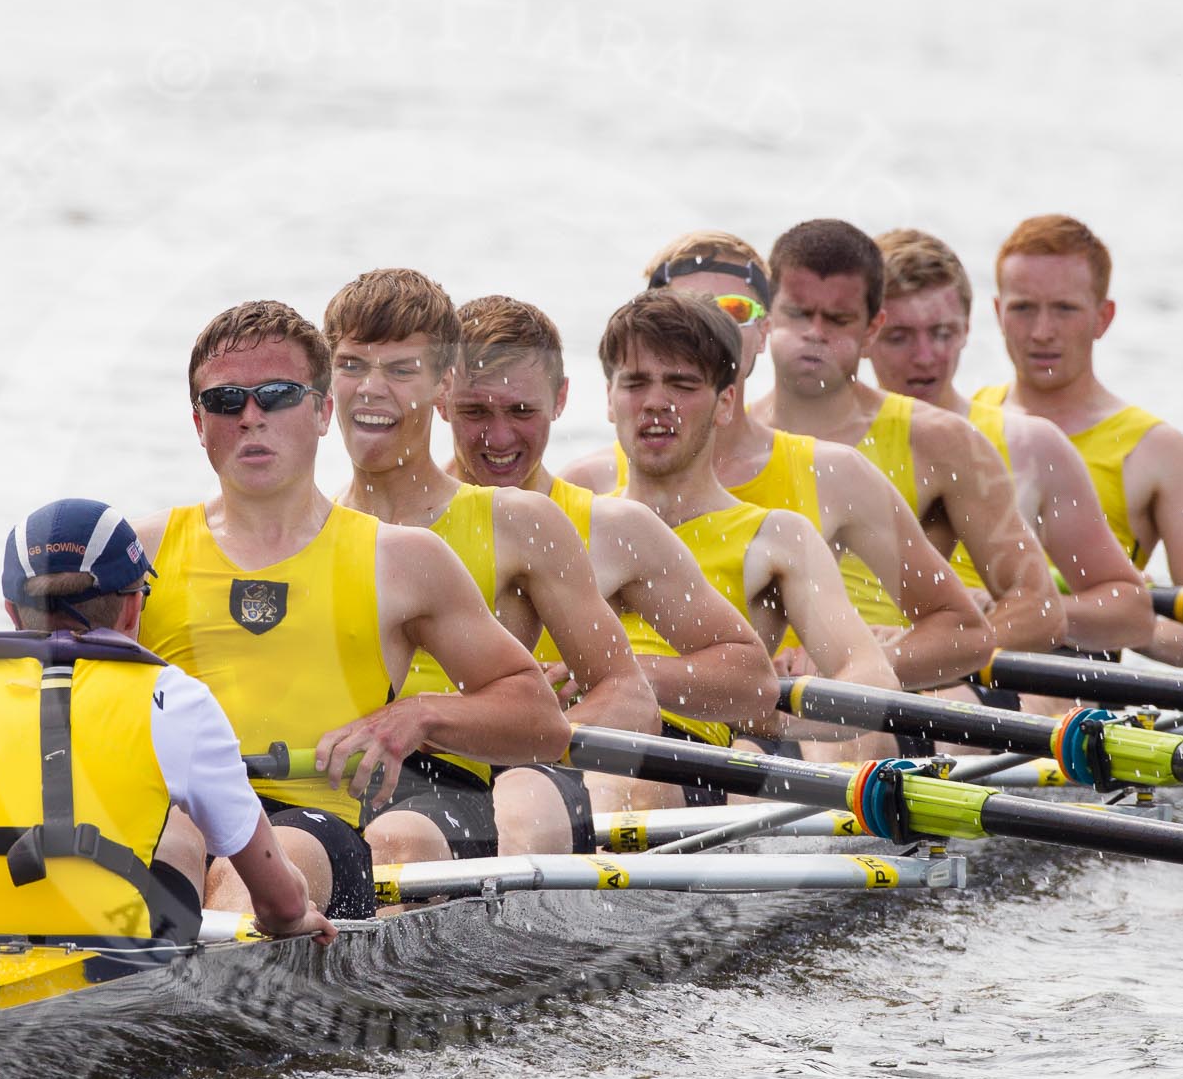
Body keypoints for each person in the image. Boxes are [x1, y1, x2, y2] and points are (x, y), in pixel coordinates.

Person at [131, 299, 570, 918]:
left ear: (321, 411)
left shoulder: (400, 559)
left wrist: (416, 716)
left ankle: (200, 992)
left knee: (258, 859)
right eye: (227, 401)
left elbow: (541, 721)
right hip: (176, 814)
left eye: (277, 395)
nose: (251, 418)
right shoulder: (140, 552)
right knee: (159, 840)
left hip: (310, 823)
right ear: (199, 422)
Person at [0, 498, 335, 946]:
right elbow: (281, 906)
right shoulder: (179, 701)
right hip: (113, 965)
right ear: (133, 606)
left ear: (11, 611)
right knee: (182, 836)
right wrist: (294, 919)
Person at [323, 269, 658, 861]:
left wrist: (519, 752)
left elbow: (628, 695)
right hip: (335, 781)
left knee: (505, 803)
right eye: (352, 366)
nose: (372, 389)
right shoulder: (311, 530)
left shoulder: (520, 520)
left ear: (440, 388)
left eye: (401, 371)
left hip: (479, 781)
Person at [562, 231, 992, 691]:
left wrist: (852, 668)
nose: (706, 326)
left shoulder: (835, 474)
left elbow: (961, 632)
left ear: (765, 330)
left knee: (848, 744)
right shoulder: (586, 482)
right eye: (683, 309)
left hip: (776, 728)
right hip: (637, 723)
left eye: (733, 309)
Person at [441, 292, 782, 772]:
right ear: (440, 398)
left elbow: (753, 684)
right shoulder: (388, 527)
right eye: (475, 412)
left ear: (560, 399)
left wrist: (624, 677)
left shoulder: (613, 529)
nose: (499, 438)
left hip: (556, 778)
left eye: (521, 412)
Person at [588, 289, 902, 809]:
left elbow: (868, 676)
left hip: (688, 760)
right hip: (567, 748)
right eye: (636, 382)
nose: (656, 402)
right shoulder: (569, 522)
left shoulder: (778, 537)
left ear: (726, 403)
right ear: (609, 398)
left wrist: (771, 717)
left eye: (683, 384)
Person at [746, 219, 1066, 663]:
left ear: (870, 330)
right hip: (747, 691)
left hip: (881, 704)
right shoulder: (724, 435)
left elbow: (1040, 610)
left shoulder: (942, 440)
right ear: (765, 316)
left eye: (837, 320)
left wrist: (890, 658)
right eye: (799, 314)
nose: (815, 333)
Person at [866, 228, 1152, 655]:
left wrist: (1002, 611)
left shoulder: (1030, 445)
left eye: (942, 333)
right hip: (855, 677)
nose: (924, 356)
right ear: (865, 334)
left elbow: (1130, 615)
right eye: (900, 337)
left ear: (967, 328)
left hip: (982, 681)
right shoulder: (814, 443)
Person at [983, 214, 1183, 665]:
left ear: (1103, 318)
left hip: (1073, 687)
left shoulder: (1163, 455)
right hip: (954, 665)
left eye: (1065, 309)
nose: (1042, 331)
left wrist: (1133, 627)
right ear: (997, 313)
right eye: (1024, 308)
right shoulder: (960, 420)